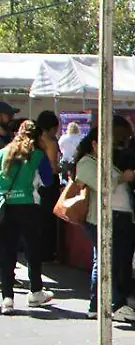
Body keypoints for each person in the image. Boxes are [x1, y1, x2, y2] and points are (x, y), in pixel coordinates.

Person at [73, 119, 135, 322]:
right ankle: (115, 303)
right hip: (103, 218)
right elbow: (104, 186)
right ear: (94, 143)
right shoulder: (86, 163)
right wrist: (123, 178)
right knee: (105, 261)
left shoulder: (103, 161)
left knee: (106, 260)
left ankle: (99, 304)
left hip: (118, 216)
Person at [0, 120, 57, 314]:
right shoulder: (38, 155)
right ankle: (35, 292)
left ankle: (7, 297)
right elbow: (48, 181)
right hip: (30, 207)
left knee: (7, 252)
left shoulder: (3, 153)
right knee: (33, 251)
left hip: (6, 208)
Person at [34, 111, 62, 263]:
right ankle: (48, 252)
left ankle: (39, 251)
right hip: (49, 183)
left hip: (36, 183)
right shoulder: (50, 142)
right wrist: (61, 168)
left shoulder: (35, 140)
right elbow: (53, 167)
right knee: (49, 218)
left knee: (39, 219)